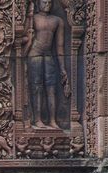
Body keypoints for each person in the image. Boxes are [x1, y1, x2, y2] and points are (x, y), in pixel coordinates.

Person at [24, 0, 68, 130]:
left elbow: (59, 46)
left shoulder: (57, 21)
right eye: (44, 2)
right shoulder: (34, 18)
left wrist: (62, 68)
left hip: (48, 55)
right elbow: (25, 35)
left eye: (49, 2)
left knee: (51, 88)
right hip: (34, 53)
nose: (47, 4)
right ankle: (37, 119)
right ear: (39, 4)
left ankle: (53, 120)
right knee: (37, 87)